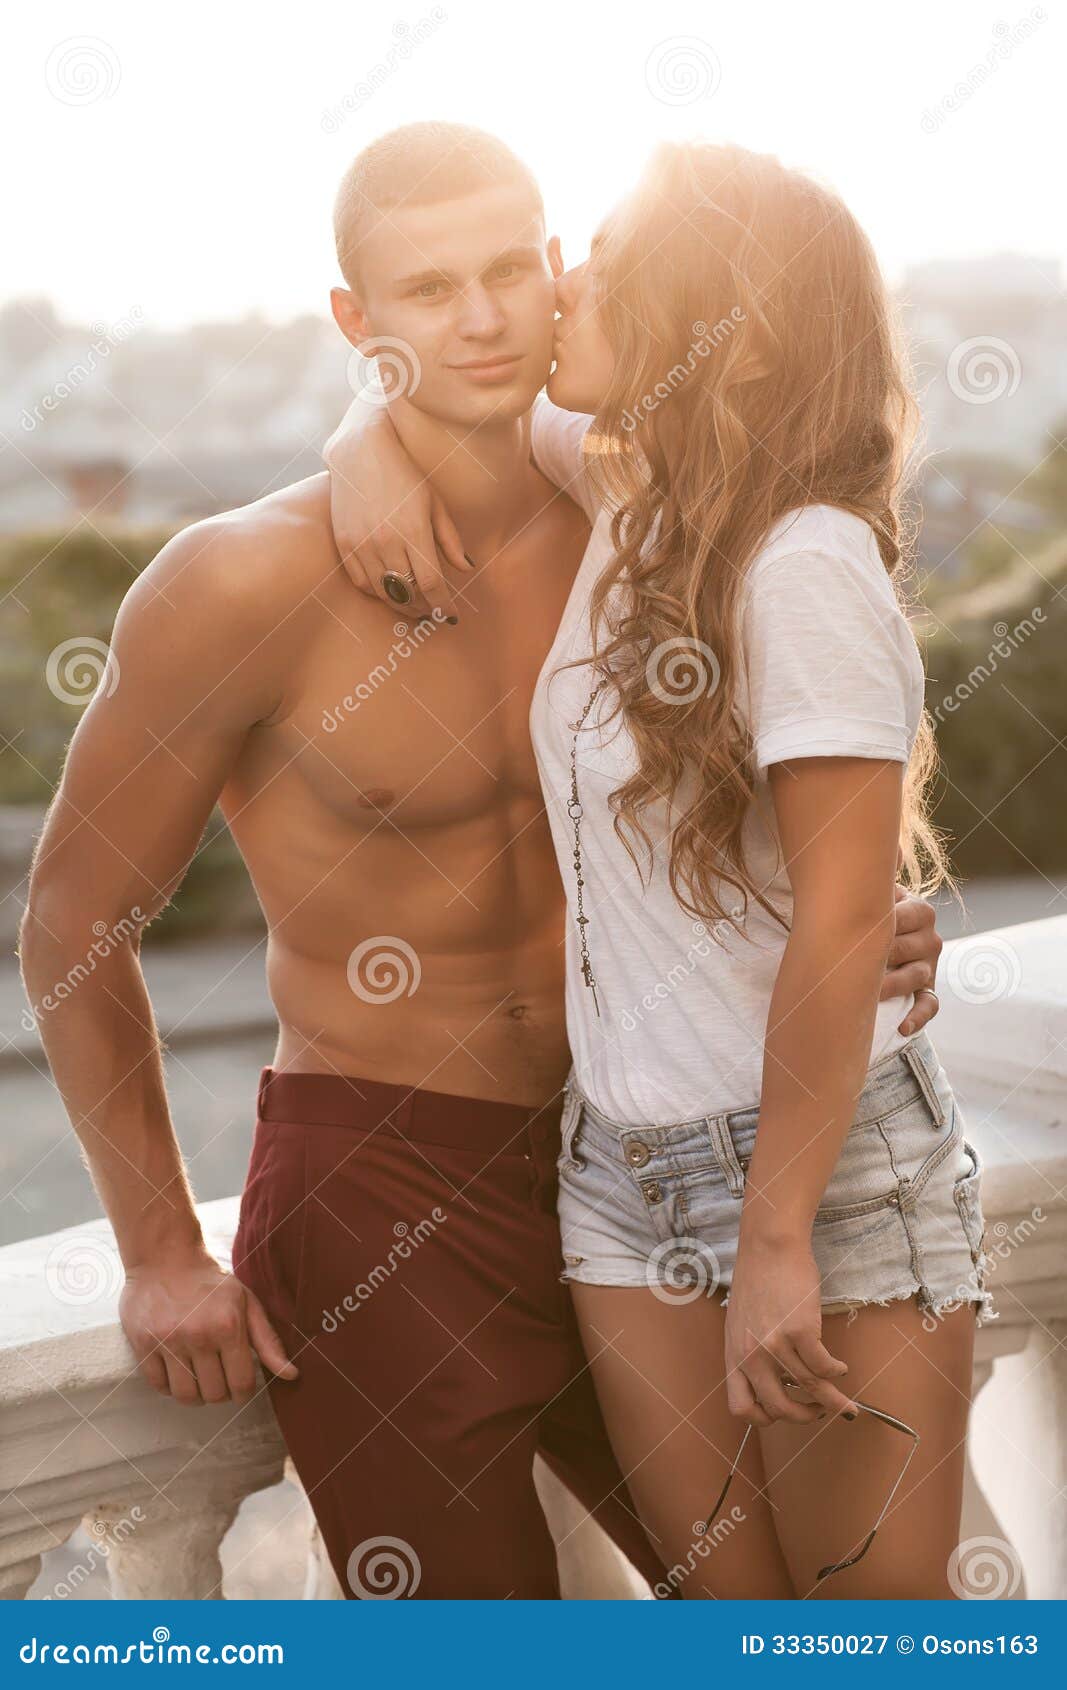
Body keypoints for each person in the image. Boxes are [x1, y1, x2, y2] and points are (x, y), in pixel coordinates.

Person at [20, 123, 945, 1602]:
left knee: (781, 1613)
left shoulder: (643, 516)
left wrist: (844, 926)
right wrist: (155, 1246)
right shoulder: (242, 580)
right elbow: (71, 916)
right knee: (476, 1634)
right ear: (356, 323)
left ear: (562, 267)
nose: (486, 316)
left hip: (641, 1165)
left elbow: (788, 766)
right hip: (386, 1177)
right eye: (430, 288)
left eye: (513, 267)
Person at [323, 135, 993, 1598]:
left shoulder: (801, 559)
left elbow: (834, 919)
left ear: (718, 336)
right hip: (619, 1189)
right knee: (720, 1632)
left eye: (604, 267)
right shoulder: (639, 498)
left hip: (819, 1185)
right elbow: (441, 411)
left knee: (866, 1645)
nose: (561, 289)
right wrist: (356, 436)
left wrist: (772, 1245)